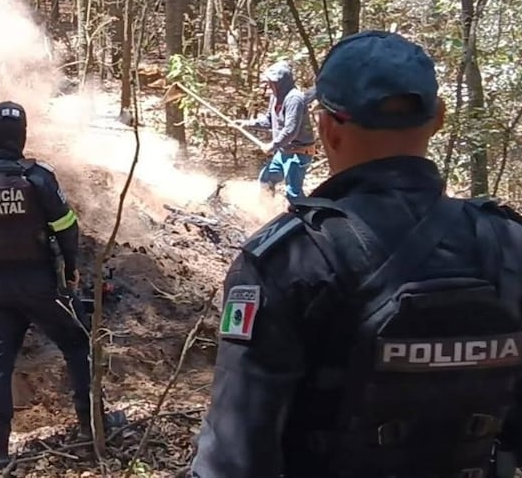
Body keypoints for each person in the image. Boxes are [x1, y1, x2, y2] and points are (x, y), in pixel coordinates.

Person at [186, 30, 522, 478]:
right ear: (439, 117)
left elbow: (233, 459)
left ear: (326, 127)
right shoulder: (508, 243)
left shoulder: (286, 260)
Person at [0, 101, 125, 467]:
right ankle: (92, 426)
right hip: (39, 285)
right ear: (22, 137)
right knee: (77, 343)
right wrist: (70, 269)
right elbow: (67, 227)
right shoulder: (38, 177)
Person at [238, 60, 316, 199]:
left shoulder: (294, 99)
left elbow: (291, 130)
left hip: (298, 153)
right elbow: (268, 120)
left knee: (293, 193)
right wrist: (247, 123)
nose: (268, 85)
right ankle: (266, 213)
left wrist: (272, 146)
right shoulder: (275, 97)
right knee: (266, 180)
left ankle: (303, 218)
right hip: (283, 151)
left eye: (271, 82)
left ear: (281, 82)